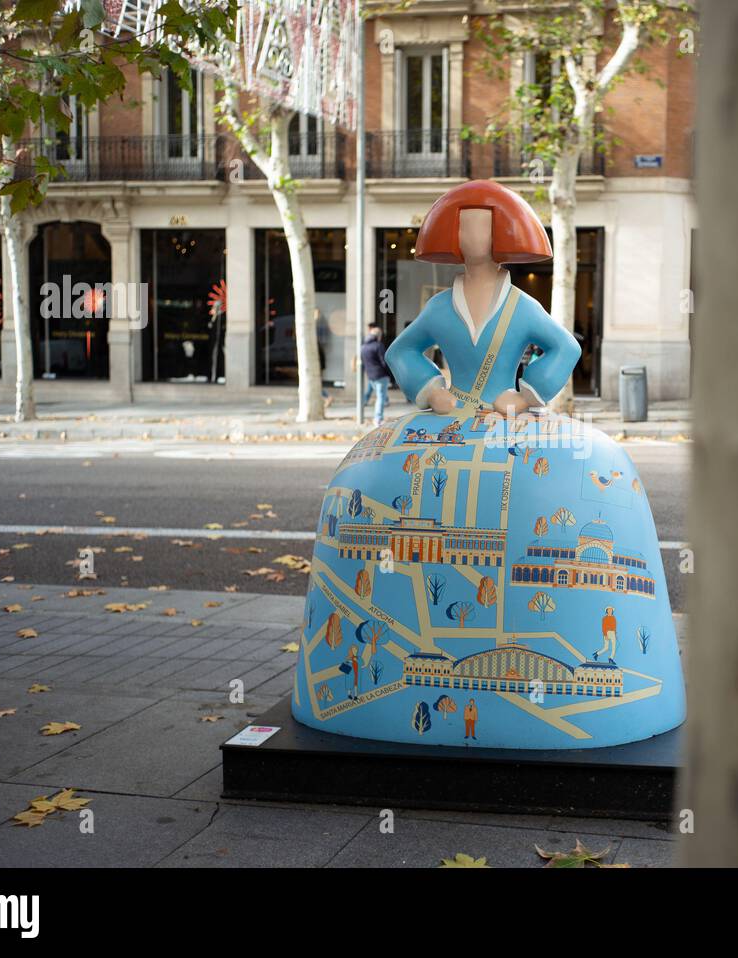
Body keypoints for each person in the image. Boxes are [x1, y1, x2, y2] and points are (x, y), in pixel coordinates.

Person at [292, 181, 685, 751]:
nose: (473, 234)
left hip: (505, 415)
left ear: (501, 233)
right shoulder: (438, 304)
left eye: (483, 223)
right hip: (452, 416)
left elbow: (565, 349)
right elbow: (403, 351)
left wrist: (525, 397)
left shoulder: (521, 305)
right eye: (465, 224)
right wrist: (433, 391)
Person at [360, 323, 393, 425]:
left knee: (380, 395)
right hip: (380, 375)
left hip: (370, 376)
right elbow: (384, 362)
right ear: (378, 336)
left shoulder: (363, 347)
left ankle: (378, 411)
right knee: (380, 397)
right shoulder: (378, 346)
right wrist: (390, 375)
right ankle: (378, 419)